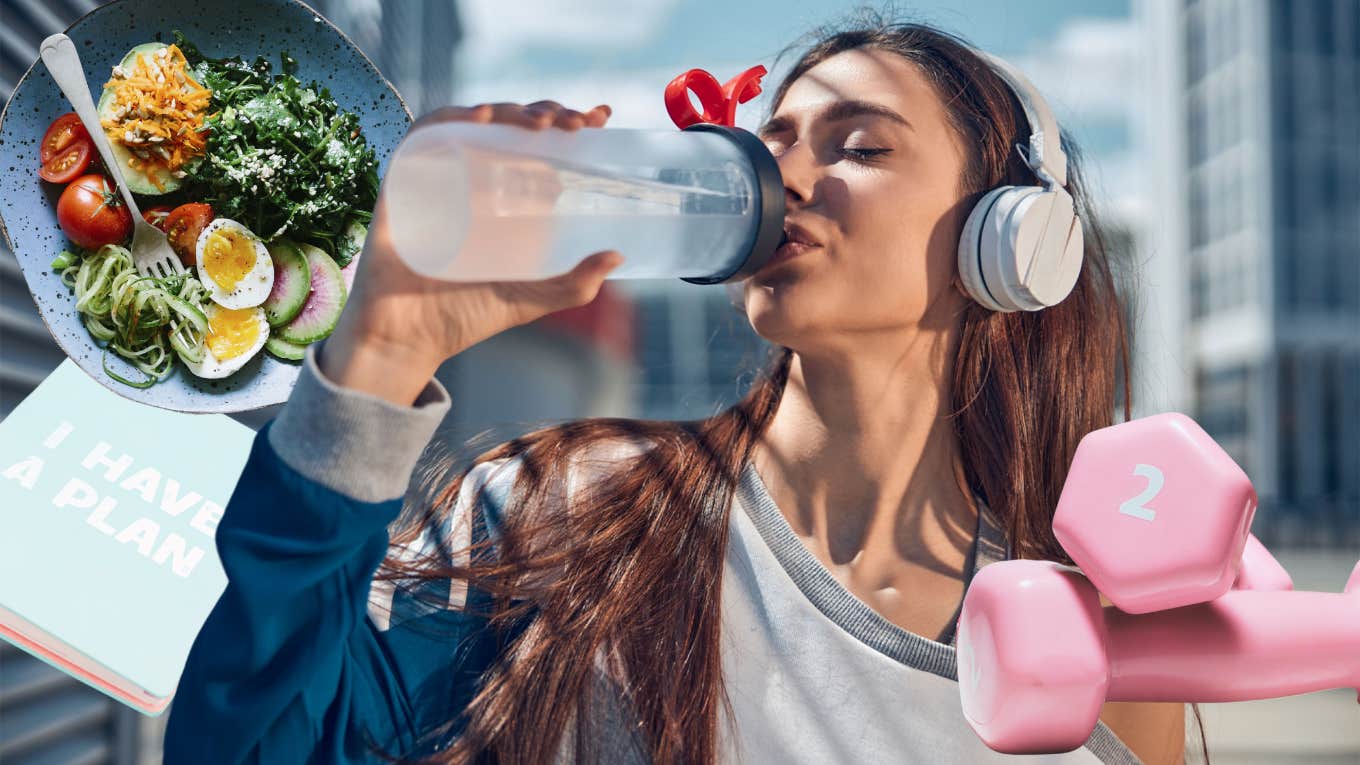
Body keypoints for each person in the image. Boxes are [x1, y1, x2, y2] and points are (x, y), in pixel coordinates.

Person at [162, 12, 1201, 765]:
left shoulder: (1096, 642)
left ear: (1012, 241)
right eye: (772, 142)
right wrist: (382, 354)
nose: (782, 178)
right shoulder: (558, 515)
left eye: (859, 146)